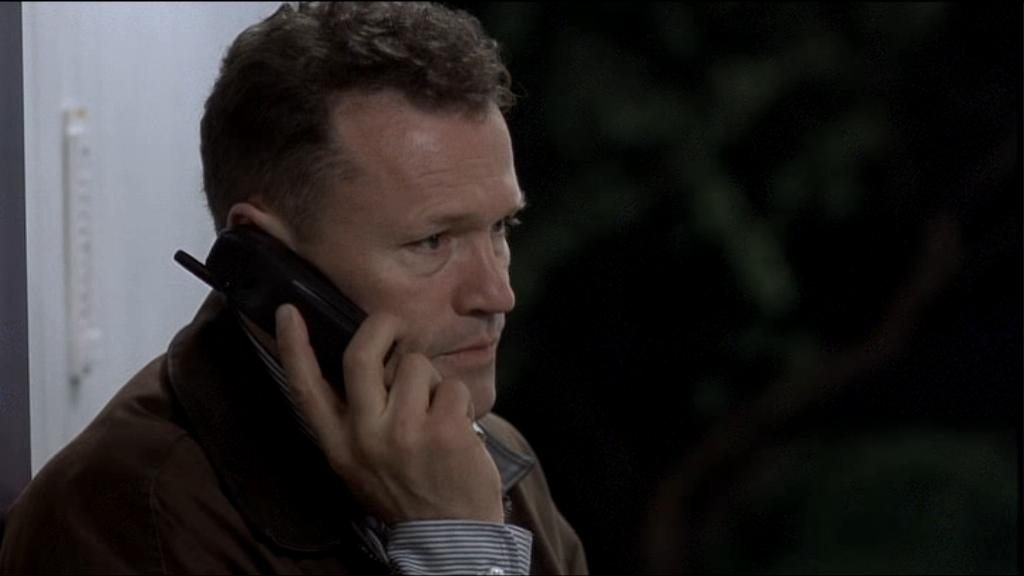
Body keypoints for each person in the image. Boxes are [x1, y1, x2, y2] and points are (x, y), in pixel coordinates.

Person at [0, 3, 587, 574]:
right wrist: (460, 548)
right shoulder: (123, 520)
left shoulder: (480, 457)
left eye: (501, 228)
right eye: (432, 241)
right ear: (269, 263)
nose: (497, 294)